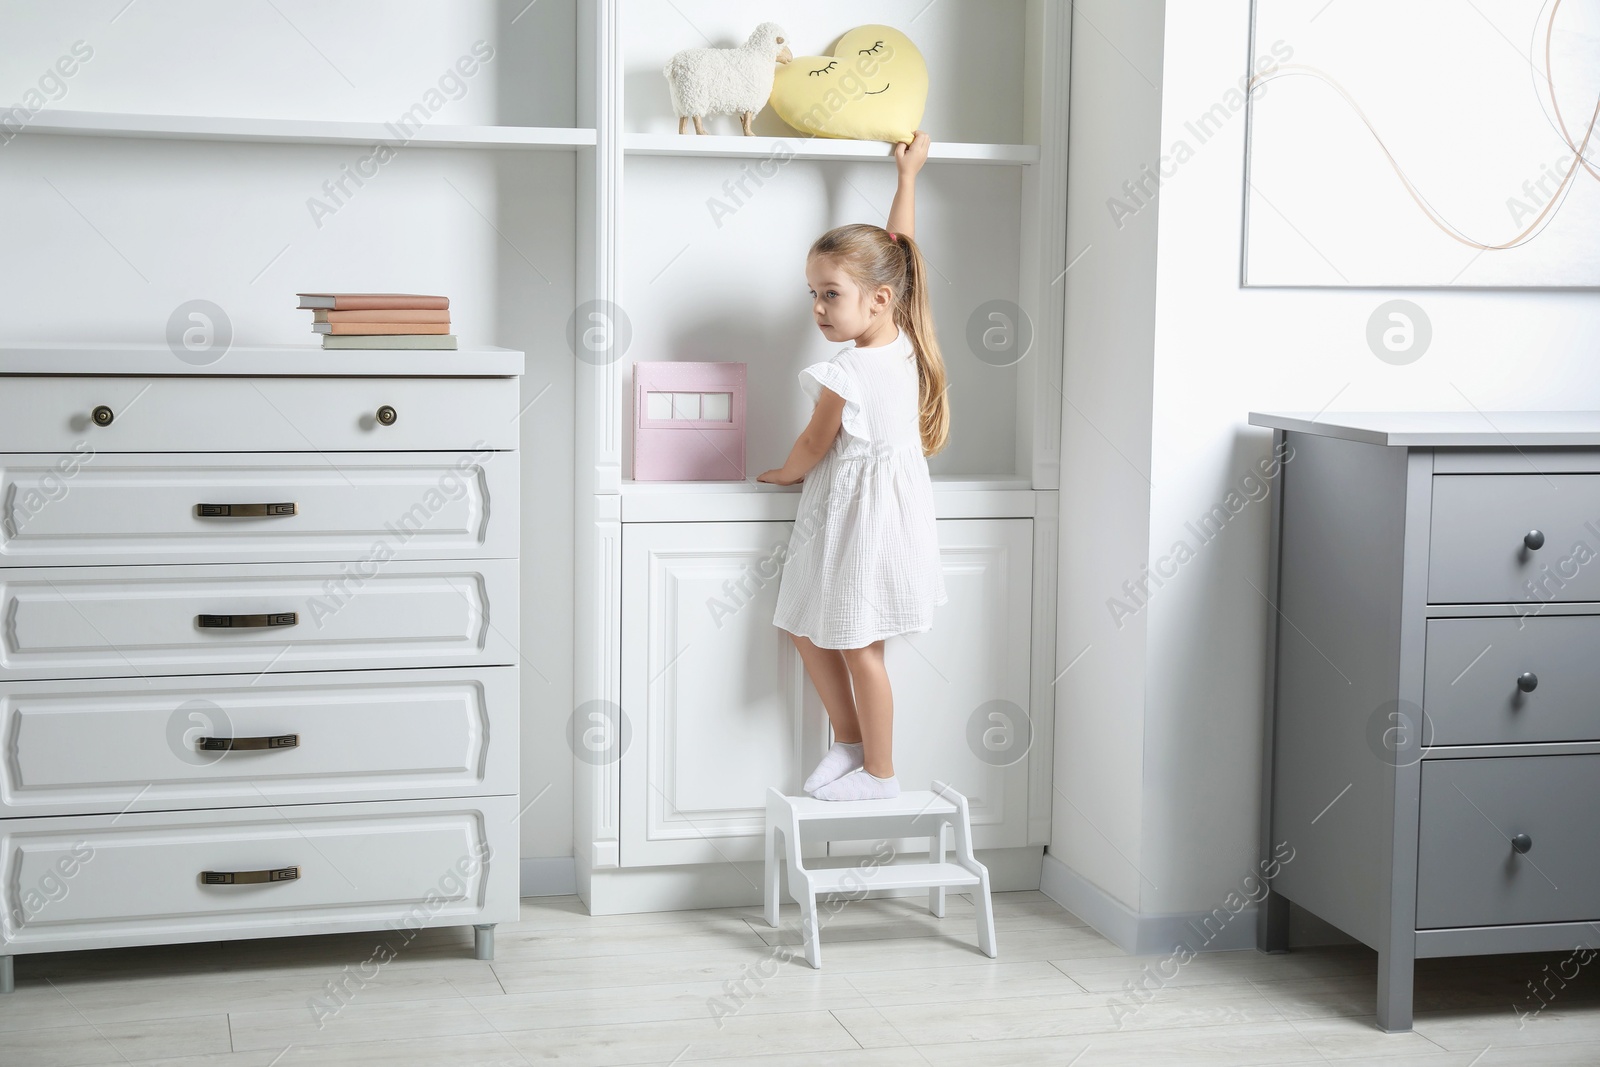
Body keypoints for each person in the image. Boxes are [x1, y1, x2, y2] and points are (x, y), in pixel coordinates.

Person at [758, 130, 949, 802]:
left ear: (875, 300)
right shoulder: (902, 335)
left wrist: (783, 473)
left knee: (858, 645)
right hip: (865, 513)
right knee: (809, 628)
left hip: (863, 518)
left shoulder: (851, 366)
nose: (816, 307)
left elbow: (814, 442)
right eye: (812, 292)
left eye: (828, 294)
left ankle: (882, 772)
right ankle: (848, 740)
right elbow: (900, 255)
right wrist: (908, 178)